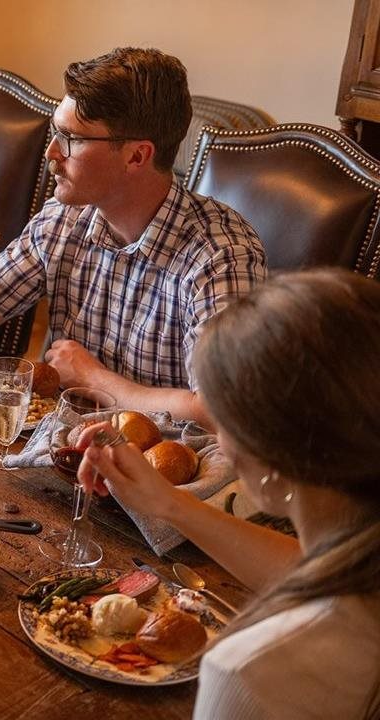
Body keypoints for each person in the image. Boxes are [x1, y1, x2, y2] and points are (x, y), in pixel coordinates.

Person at [76, 268, 380, 719]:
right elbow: (322, 569)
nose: (220, 445)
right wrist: (170, 504)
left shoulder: (252, 670)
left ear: (278, 460)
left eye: (224, 425)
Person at [0, 48, 266, 423]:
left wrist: (92, 378)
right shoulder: (65, 218)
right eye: (56, 132)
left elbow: (222, 414)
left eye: (71, 138)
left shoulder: (221, 255)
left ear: (136, 156)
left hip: (165, 470)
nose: (52, 152)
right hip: (65, 449)